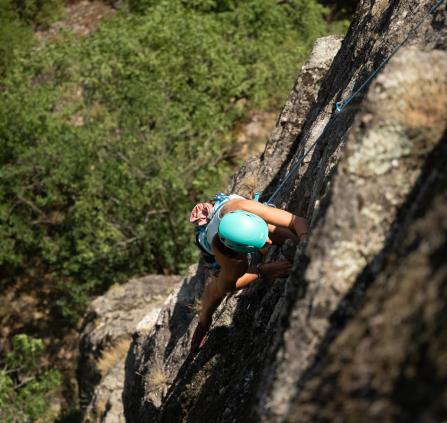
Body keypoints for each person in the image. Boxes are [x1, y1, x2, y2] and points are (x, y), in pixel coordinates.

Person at [190, 193, 308, 351]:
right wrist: (262, 271)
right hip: (213, 239)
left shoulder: (242, 207)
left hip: (230, 211)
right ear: (240, 251)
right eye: (261, 243)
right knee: (219, 290)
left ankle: (265, 228)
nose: (267, 242)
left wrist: (306, 240)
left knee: (277, 231)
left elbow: (296, 220)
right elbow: (222, 288)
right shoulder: (229, 256)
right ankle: (203, 321)